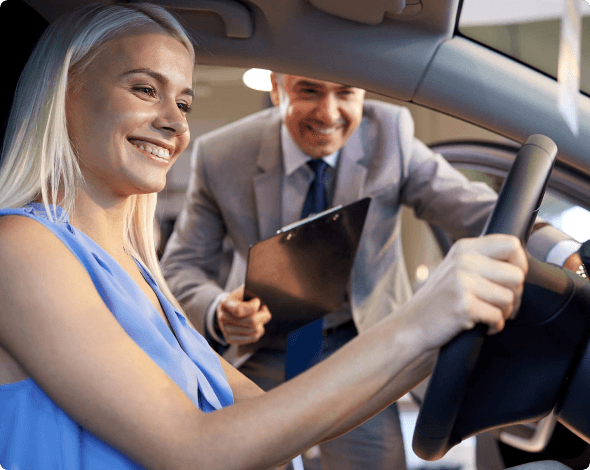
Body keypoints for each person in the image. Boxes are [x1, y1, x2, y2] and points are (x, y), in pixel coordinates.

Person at [0, 3, 577, 470]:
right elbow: (194, 445)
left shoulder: (130, 269)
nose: (175, 122)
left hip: (356, 335)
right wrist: (422, 320)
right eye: (145, 90)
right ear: (66, 92)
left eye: (184, 101)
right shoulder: (22, 249)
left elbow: (261, 420)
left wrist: (440, 331)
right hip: (274, 347)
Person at [160, 76, 584, 467]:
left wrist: (563, 252)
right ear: (276, 87)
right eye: (308, 91)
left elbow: (472, 208)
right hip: (267, 345)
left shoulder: (391, 134)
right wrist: (218, 311)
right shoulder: (221, 155)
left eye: (346, 93)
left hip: (363, 343)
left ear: (364, 94)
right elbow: (181, 268)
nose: (328, 113)